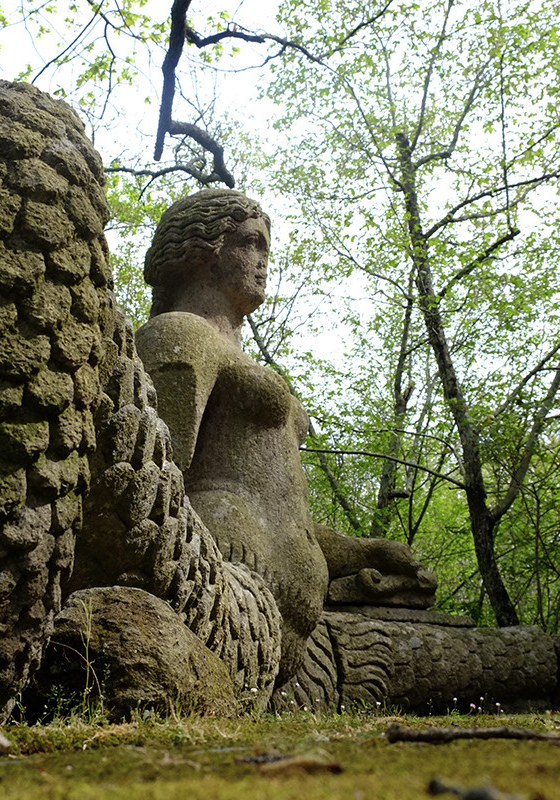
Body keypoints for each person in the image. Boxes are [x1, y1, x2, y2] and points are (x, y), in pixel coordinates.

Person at [136, 189, 436, 677]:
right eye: (250, 243)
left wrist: (361, 552)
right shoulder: (181, 334)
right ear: (199, 250)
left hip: (288, 621)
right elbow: (152, 477)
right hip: (218, 585)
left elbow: (277, 504)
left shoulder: (233, 355)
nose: (262, 261)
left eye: (265, 249)